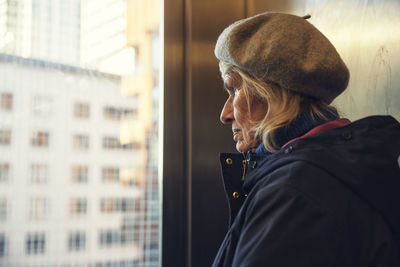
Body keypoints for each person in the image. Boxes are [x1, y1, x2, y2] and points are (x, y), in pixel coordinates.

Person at [212, 12, 400, 267]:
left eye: (234, 89)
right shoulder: (325, 168)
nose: (225, 114)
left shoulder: (294, 194)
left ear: (271, 94)